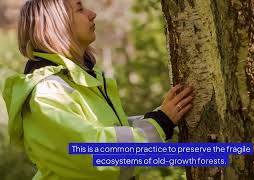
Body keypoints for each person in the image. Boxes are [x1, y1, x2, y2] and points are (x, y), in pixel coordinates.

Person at [2, 0, 194, 179]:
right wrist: (159, 124)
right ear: (57, 24)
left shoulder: (75, 81)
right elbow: (95, 153)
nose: (92, 14)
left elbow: (108, 131)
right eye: (79, 9)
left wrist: (159, 119)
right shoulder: (47, 92)